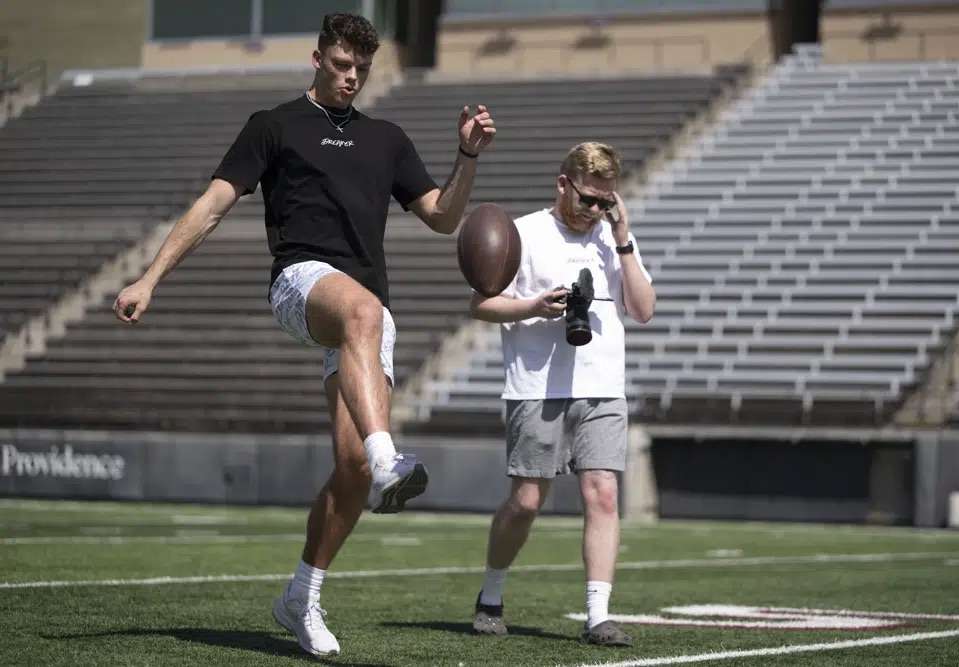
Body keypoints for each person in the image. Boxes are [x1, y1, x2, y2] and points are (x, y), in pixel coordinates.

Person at [112, 13, 495, 658]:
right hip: (301, 282)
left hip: (364, 316)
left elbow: (441, 217)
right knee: (364, 318)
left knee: (346, 469)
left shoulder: (388, 137)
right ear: (317, 59)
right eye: (342, 66)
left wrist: (467, 156)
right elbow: (211, 206)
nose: (352, 78)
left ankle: (301, 593)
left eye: (363, 70)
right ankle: (388, 462)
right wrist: (149, 279)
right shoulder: (273, 125)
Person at [469, 142, 654, 646]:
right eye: (589, 200)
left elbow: (642, 309)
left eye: (605, 201)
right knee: (527, 502)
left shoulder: (613, 239)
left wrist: (623, 239)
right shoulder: (523, 234)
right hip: (536, 387)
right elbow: (480, 306)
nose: (596, 210)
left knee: (604, 493)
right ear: (562, 184)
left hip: (601, 388)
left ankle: (598, 615)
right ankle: (491, 593)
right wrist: (534, 305)